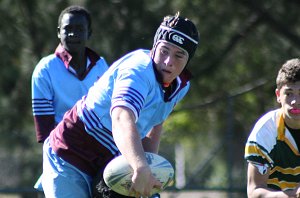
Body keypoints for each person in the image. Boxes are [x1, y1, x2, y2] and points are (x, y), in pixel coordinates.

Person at [41, 12, 199, 198]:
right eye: (164, 50)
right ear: (154, 47)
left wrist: (147, 167)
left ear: (188, 60)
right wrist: (140, 166)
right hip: (70, 152)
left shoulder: (181, 85)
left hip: (110, 157)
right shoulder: (138, 70)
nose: (168, 62)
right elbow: (121, 117)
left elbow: (155, 123)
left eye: (179, 55)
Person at [31, 5, 109, 191]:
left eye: (80, 29)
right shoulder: (45, 69)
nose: (73, 34)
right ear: (59, 32)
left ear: (89, 33)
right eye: (68, 29)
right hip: (61, 156)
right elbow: (45, 131)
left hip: (97, 155)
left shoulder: (101, 66)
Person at [245, 58, 300, 198]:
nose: (295, 102)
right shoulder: (265, 132)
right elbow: (254, 191)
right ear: (278, 95)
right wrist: (293, 195)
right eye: (289, 93)